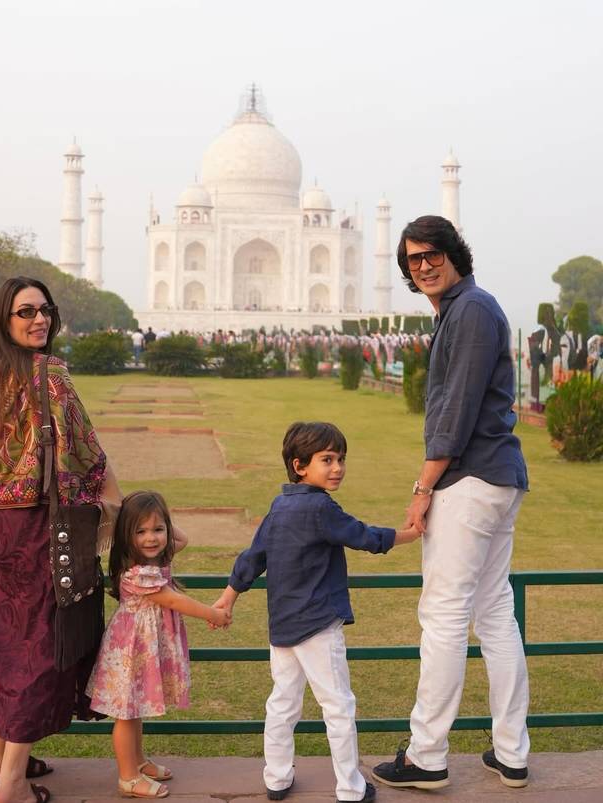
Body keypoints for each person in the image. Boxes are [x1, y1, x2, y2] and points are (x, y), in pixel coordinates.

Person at [373, 216, 530, 791]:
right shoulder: (463, 311)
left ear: (454, 253)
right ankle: (511, 752)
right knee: (494, 613)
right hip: (494, 478)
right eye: (413, 259)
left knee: (443, 615)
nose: (423, 265)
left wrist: (422, 490)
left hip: (470, 479)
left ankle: (427, 755)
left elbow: (455, 412)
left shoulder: (470, 311)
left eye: (432, 254)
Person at [0, 276, 121, 803]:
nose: (40, 320)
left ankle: (1, 760)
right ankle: (11, 785)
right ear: (4, 320)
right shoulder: (49, 373)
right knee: (37, 646)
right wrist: (116, 505)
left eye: (45, 310)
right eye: (26, 312)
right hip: (35, 526)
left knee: (0, 639)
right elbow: (86, 451)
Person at [213, 422, 421, 803]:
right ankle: (351, 789)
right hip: (318, 626)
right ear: (300, 465)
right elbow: (364, 536)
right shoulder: (321, 507)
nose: (338, 467)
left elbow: (253, 556)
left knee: (282, 704)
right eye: (327, 459)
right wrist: (409, 534)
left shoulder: (279, 507)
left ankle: (277, 778)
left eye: (341, 459)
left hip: (282, 627)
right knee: (338, 707)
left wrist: (229, 596)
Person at [86, 490, 231, 799]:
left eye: (158, 529)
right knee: (126, 714)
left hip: (140, 647)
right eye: (140, 531)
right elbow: (174, 600)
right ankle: (128, 777)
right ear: (126, 535)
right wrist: (214, 614)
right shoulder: (137, 573)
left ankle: (137, 761)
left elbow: (182, 539)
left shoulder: (154, 559)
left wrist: (153, 514)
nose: (151, 538)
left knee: (134, 709)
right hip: (131, 650)